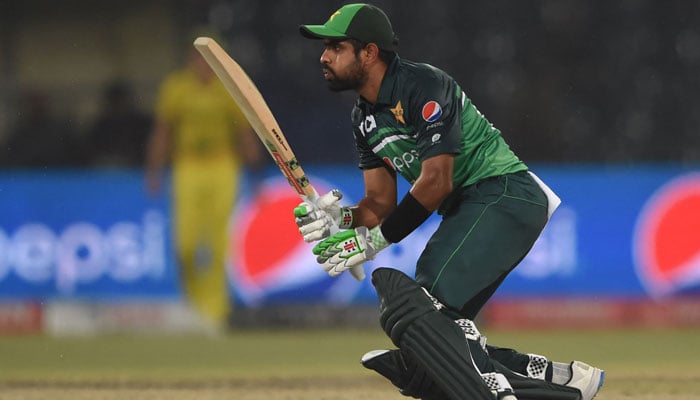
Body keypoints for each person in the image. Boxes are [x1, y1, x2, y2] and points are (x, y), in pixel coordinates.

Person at [294, 4, 604, 400]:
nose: (324, 56)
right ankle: (560, 381)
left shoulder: (424, 85)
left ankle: (505, 389)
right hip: (472, 207)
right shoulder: (363, 118)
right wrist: (345, 216)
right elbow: (379, 203)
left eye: (335, 46)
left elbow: (436, 181)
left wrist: (372, 242)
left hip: (504, 192)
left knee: (417, 307)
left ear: (368, 52)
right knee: (434, 330)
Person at [146, 34, 263, 331]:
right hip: (187, 165)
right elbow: (164, 130)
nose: (203, 64)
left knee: (219, 242)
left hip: (223, 165)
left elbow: (244, 130)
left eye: (209, 57)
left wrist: (256, 172)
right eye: (198, 57)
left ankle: (214, 311)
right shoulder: (176, 87)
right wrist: (154, 170)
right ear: (190, 58)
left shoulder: (228, 85)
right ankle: (193, 303)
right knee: (185, 243)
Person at [87, 80, 152, 168]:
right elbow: (91, 152)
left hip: (135, 169)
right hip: (105, 171)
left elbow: (149, 148)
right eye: (114, 101)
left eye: (120, 100)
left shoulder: (141, 123)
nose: (118, 104)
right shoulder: (101, 125)